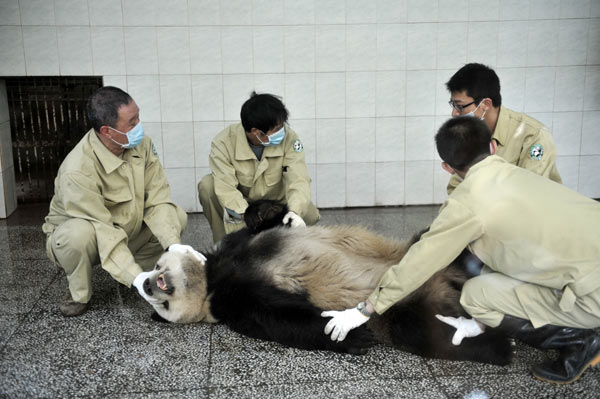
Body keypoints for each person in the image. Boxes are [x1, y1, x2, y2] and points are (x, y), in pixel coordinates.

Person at [321, 117, 600, 385]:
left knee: (477, 296)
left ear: (447, 166)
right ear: (492, 147)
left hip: (594, 295)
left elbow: (420, 261)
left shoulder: (467, 203)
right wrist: (480, 324)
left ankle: (579, 341)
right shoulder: (521, 175)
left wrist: (365, 309)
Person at [43, 86, 188, 317]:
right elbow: (102, 229)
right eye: (132, 122)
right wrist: (132, 275)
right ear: (107, 131)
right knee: (76, 236)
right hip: (90, 234)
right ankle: (80, 293)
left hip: (127, 226)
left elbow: (158, 198)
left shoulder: (142, 145)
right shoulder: (77, 170)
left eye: (138, 116)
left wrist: (174, 245)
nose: (139, 126)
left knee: (175, 216)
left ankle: (137, 274)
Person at [198, 92, 320, 242]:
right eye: (277, 128)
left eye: (283, 125)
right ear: (256, 132)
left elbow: (298, 178)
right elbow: (226, 188)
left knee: (308, 215)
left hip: (278, 202)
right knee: (207, 185)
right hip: (244, 204)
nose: (282, 131)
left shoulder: (290, 138)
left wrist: (295, 211)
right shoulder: (223, 143)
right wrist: (247, 214)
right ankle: (225, 244)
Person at [445, 62, 562, 194]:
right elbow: (455, 187)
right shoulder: (468, 134)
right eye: (452, 105)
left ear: (485, 104)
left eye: (460, 106)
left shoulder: (533, 135)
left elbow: (531, 193)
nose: (454, 113)